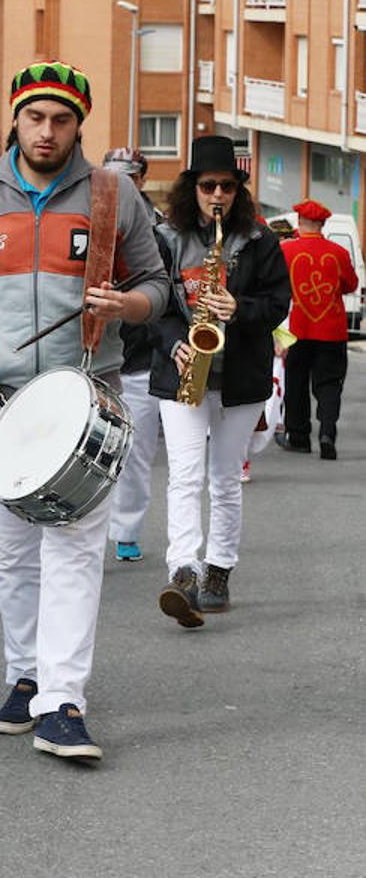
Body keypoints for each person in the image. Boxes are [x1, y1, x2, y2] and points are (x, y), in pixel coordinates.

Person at [0, 61, 168, 761]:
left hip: (85, 400)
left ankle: (63, 702)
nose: (47, 131)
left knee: (74, 552)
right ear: (16, 120)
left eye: (61, 120)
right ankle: (23, 677)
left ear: (78, 125)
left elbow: (157, 284)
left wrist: (128, 304)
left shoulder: (113, 197)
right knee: (15, 555)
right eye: (35, 118)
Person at [150, 135, 290, 626]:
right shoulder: (167, 238)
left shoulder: (260, 240)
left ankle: (219, 571)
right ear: (192, 188)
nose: (217, 196)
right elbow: (156, 306)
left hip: (240, 377)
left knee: (225, 480)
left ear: (238, 191)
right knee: (185, 476)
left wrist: (241, 309)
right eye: (208, 185)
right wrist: (176, 343)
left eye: (227, 187)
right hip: (185, 372)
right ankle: (183, 570)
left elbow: (279, 304)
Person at [101, 148, 164, 563]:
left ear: (140, 179)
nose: (119, 183)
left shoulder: (160, 231)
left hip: (139, 359)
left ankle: (126, 530)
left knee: (135, 455)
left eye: (127, 176)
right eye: (111, 176)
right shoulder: (86, 219)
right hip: (92, 355)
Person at [279, 199, 358, 460]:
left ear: (300, 223)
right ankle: (327, 432)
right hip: (332, 329)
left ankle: (299, 436)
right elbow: (350, 285)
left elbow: (276, 285)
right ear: (322, 224)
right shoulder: (338, 253)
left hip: (296, 329)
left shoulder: (285, 250)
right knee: (329, 384)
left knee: (296, 382)